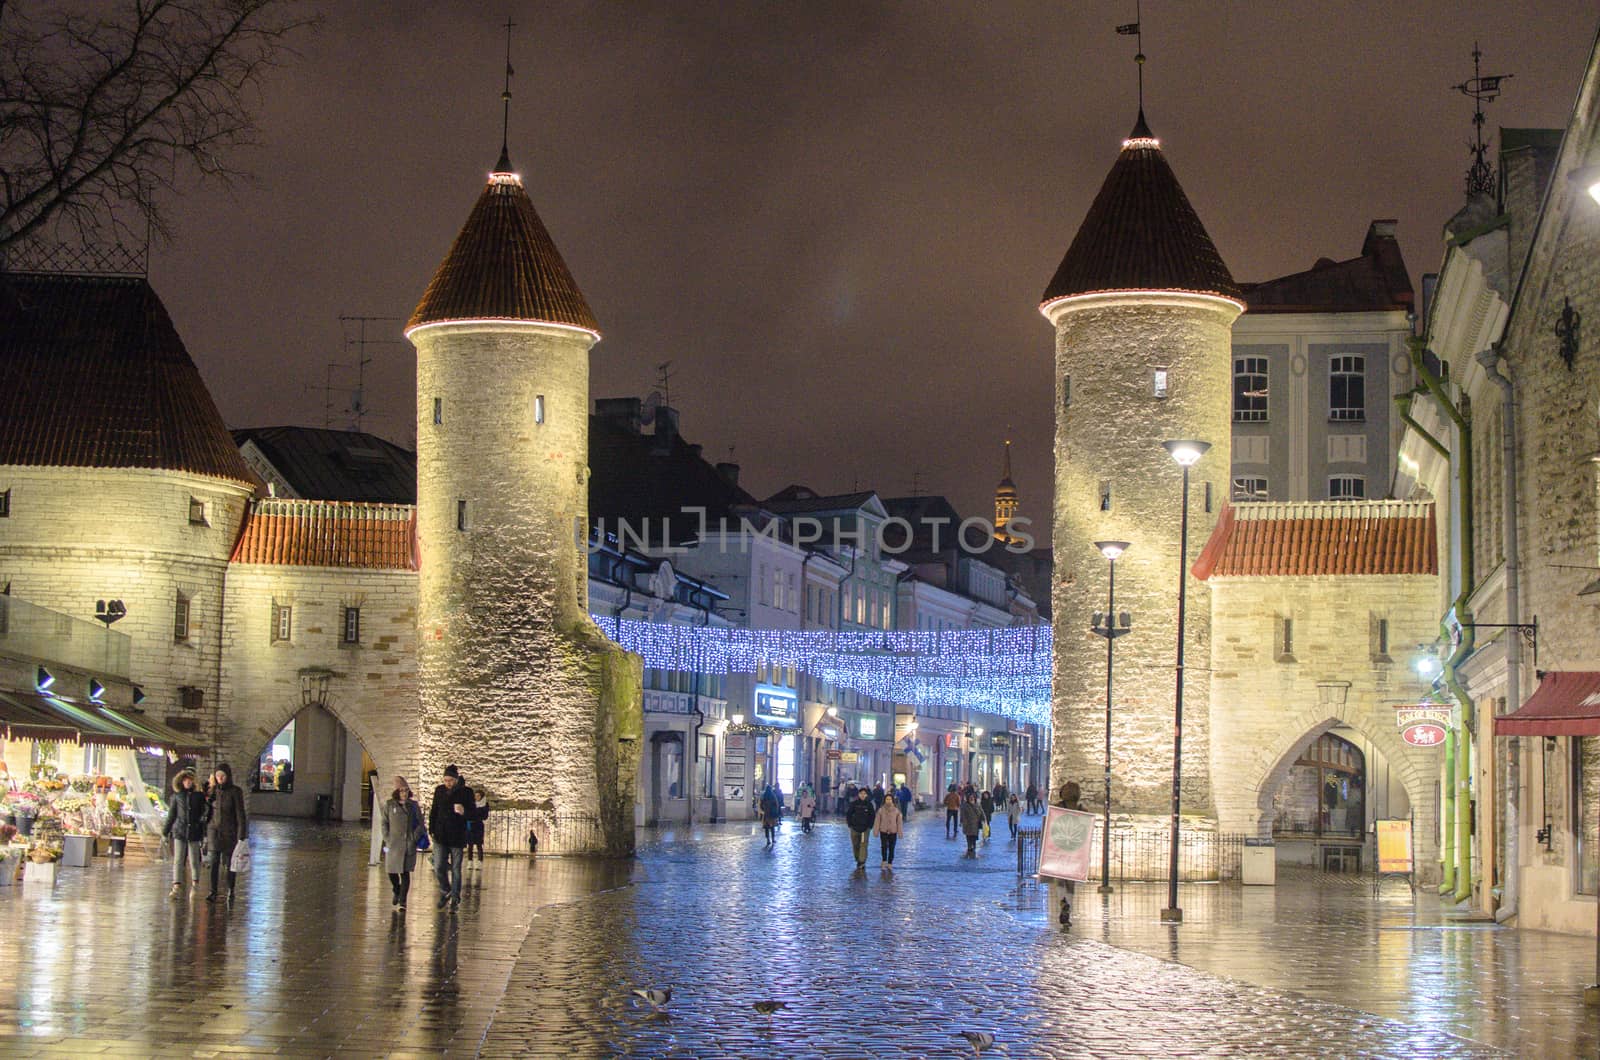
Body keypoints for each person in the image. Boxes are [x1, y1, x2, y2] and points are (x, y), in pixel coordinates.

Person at [429, 764, 473, 910]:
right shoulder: (439, 791)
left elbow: (473, 812)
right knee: (438, 866)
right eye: (445, 780)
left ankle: (455, 898)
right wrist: (432, 829)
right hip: (441, 835)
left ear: (455, 779)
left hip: (457, 836)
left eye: (450, 780)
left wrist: (464, 811)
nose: (448, 783)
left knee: (456, 869)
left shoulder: (466, 792)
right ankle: (446, 890)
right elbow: (434, 810)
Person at [204, 762, 247, 904]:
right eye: (217, 776)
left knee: (229, 863)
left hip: (229, 832)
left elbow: (240, 814)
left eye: (222, 776)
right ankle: (213, 891)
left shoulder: (235, 792)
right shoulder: (213, 791)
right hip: (214, 831)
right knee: (214, 861)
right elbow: (207, 811)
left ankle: (231, 889)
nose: (220, 778)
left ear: (228, 776)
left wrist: (241, 834)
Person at [162, 769, 207, 899]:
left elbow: (203, 814)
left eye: (190, 780)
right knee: (178, 859)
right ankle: (176, 885)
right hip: (180, 831)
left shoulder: (199, 797)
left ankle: (195, 883)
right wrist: (165, 832)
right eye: (186, 780)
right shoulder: (177, 796)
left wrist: (203, 832)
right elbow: (172, 815)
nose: (188, 782)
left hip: (194, 831)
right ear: (182, 781)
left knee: (194, 859)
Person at [380, 776, 423, 910]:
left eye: (406, 790)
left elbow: (420, 824)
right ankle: (396, 890)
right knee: (391, 871)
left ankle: (403, 901)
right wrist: (387, 838)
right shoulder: (390, 804)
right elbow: (384, 823)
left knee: (405, 872)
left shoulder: (413, 806)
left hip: (407, 843)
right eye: (401, 790)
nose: (404, 793)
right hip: (393, 843)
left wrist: (413, 838)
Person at [1051, 782, 1083, 928]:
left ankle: (1063, 902)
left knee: (1060, 881)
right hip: (1075, 849)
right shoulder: (1081, 809)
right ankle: (1067, 908)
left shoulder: (1057, 808)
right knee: (1071, 882)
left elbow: (1051, 827)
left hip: (1059, 848)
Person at [845, 787, 876, 870]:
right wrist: (850, 824)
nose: (862, 795)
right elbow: (849, 814)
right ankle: (857, 858)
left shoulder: (869, 804)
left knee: (863, 844)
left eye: (864, 794)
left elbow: (872, 816)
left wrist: (870, 826)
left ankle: (861, 861)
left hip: (865, 829)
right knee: (855, 844)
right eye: (861, 794)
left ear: (866, 795)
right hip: (854, 828)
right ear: (858, 795)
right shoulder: (854, 804)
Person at [874, 788, 903, 869]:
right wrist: (876, 831)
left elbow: (899, 823)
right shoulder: (880, 810)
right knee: (883, 846)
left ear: (892, 800)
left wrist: (900, 833)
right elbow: (877, 821)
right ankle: (884, 861)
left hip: (893, 831)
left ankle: (890, 862)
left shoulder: (896, 811)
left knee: (891, 847)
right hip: (883, 831)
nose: (888, 800)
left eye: (890, 799)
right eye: (887, 799)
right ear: (885, 800)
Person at [959, 790, 984, 858]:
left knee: (974, 836)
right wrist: (962, 822)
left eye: (972, 797)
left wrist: (984, 820)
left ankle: (973, 846)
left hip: (975, 823)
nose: (971, 798)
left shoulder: (977, 805)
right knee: (968, 836)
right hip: (967, 824)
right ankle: (969, 847)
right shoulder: (965, 805)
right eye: (970, 797)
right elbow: (962, 814)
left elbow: (981, 813)